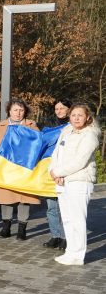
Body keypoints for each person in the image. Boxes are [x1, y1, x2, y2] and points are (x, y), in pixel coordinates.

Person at [0, 98, 40, 241]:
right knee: (6, 198)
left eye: (21, 110)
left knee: (24, 199)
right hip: (5, 168)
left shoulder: (32, 125)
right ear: (9, 111)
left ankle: (22, 229)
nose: (18, 113)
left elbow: (38, 145)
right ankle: (6, 227)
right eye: (15, 110)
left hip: (24, 168)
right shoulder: (1, 126)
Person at [49, 103, 100, 266]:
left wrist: (59, 172)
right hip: (62, 181)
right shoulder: (65, 132)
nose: (76, 118)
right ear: (69, 116)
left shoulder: (90, 135)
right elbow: (55, 154)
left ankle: (78, 255)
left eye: (80, 115)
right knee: (67, 218)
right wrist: (53, 171)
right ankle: (70, 251)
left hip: (79, 181)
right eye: (73, 115)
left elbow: (80, 160)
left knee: (77, 219)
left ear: (87, 117)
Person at [42, 97, 71, 250]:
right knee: (51, 207)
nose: (59, 111)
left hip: (66, 169)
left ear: (68, 109)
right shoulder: (49, 123)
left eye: (62, 108)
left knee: (65, 207)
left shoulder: (73, 124)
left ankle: (66, 238)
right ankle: (55, 236)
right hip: (50, 169)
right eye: (56, 108)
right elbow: (44, 142)